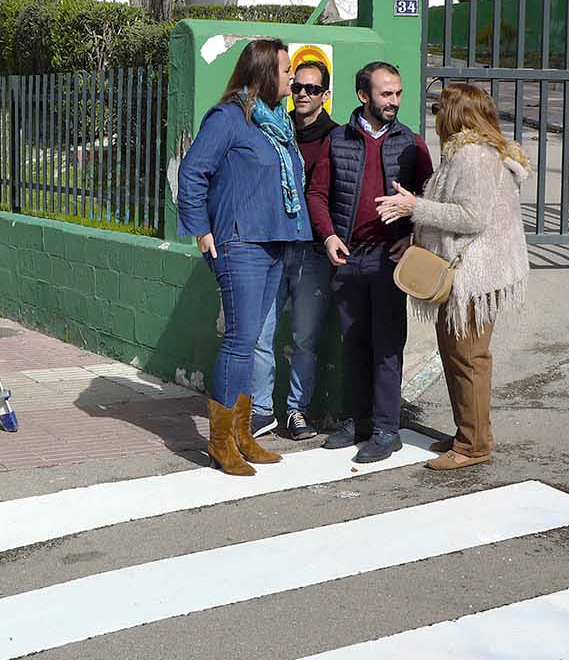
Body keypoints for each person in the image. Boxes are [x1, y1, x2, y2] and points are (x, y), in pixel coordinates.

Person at [376, 82, 532, 471]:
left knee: (468, 359)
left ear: (457, 114)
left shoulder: (472, 157)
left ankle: (474, 445)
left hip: (475, 278)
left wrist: (415, 206)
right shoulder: (468, 153)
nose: (436, 117)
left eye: (439, 109)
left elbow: (471, 217)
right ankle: (472, 431)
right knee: (461, 356)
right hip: (473, 275)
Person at [175, 38, 311, 476]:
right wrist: (200, 229)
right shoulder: (229, 117)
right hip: (240, 242)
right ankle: (219, 442)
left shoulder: (276, 123)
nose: (293, 77)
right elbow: (193, 171)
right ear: (265, 72)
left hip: (275, 240)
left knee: (254, 340)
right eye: (287, 70)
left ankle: (243, 433)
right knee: (239, 340)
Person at [306, 61, 433, 464]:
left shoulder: (412, 143)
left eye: (397, 93)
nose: (394, 101)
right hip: (349, 258)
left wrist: (412, 237)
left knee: (387, 346)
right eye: (386, 94)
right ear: (364, 96)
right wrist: (328, 236)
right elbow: (317, 194)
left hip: (391, 261)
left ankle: (385, 429)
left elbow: (431, 200)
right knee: (353, 343)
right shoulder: (337, 141)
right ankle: (357, 421)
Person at [253, 57, 337, 441]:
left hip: (312, 251)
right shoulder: (273, 129)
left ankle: (297, 411)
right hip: (272, 245)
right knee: (260, 333)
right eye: (298, 86)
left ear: (325, 95)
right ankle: (260, 410)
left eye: (313, 89)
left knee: (304, 337)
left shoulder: (334, 138)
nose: (303, 94)